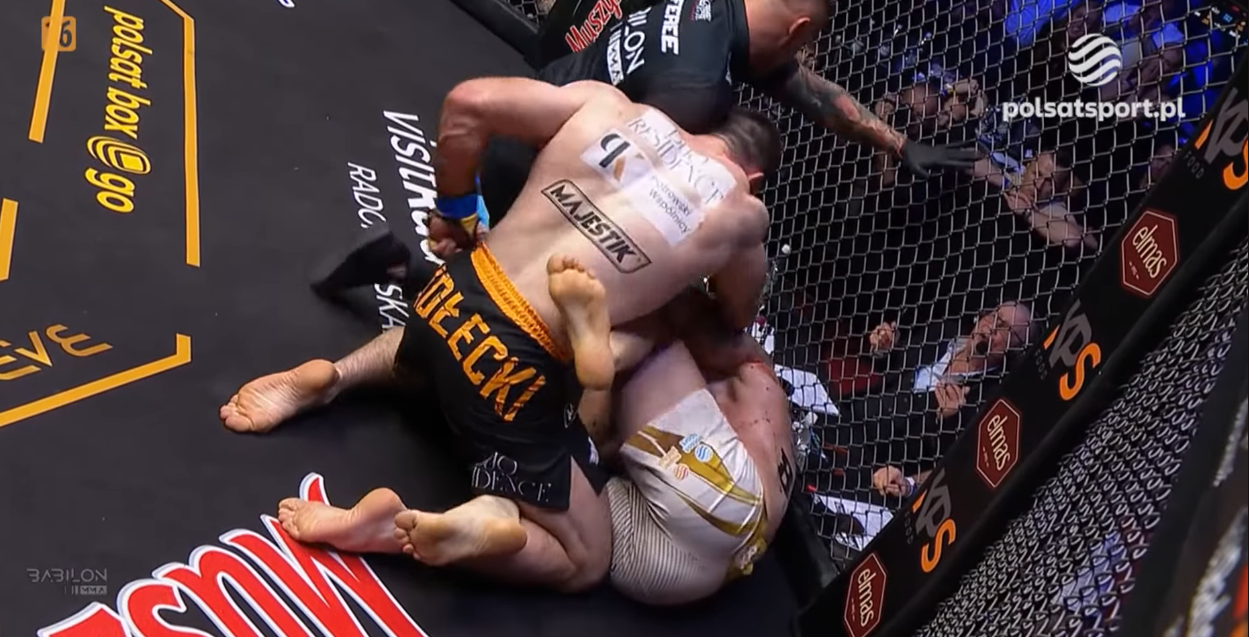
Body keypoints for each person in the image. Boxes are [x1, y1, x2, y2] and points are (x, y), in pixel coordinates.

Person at [218, 76, 781, 593]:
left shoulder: (609, 106)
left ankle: (334, 378)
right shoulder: (741, 213)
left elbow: (470, 104)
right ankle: (420, 527)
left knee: (451, 346)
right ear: (754, 179)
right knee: (585, 559)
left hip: (453, 292)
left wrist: (456, 209)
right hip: (515, 362)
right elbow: (734, 314)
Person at [310, 0, 980, 299]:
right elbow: (622, 190)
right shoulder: (696, 89)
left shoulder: (715, 16)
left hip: (536, 106)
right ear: (798, 29)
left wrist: (895, 140)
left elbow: (805, 88)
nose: (802, 57)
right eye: (807, 44)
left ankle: (428, 258)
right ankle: (422, 270)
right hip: (539, 169)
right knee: (589, 286)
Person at [573, 287, 798, 605]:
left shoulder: (740, 357)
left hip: (722, 492)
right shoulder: (763, 399)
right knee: (555, 509)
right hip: (694, 577)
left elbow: (662, 298)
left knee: (637, 314)